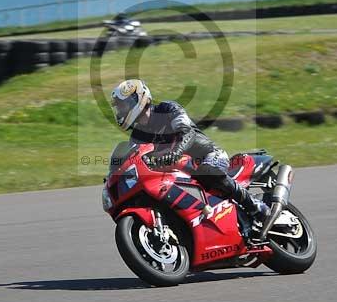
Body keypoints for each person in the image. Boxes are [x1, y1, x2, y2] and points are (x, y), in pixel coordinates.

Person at [110, 79, 269, 222]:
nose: (121, 111)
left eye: (123, 106)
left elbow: (187, 132)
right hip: (178, 171)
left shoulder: (167, 109)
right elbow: (134, 158)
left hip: (207, 155)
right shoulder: (138, 136)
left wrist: (176, 152)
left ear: (137, 99)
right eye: (119, 108)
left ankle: (254, 205)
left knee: (207, 171)